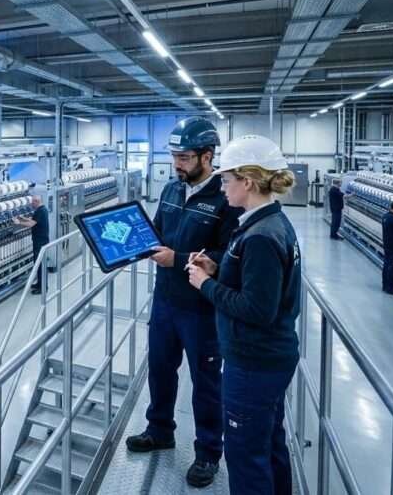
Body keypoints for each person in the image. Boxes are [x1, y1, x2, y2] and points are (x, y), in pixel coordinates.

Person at [124, 117, 241, 488]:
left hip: (202, 308)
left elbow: (229, 255)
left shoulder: (226, 199)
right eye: (174, 155)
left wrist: (176, 258)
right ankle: (160, 429)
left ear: (208, 156)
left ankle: (208, 452)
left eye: (185, 157)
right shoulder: (171, 191)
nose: (177, 163)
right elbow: (156, 231)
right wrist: (129, 239)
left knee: (206, 383)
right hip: (165, 300)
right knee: (160, 370)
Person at [184, 134, 301, 495]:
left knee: (246, 456)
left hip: (253, 361)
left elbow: (257, 309)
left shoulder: (262, 235)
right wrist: (219, 269)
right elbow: (257, 284)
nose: (222, 187)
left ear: (247, 182)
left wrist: (204, 283)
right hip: (268, 358)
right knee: (269, 445)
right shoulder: (265, 223)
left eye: (226, 180)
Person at [14, 194, 49, 294]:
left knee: (41, 264)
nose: (31, 204)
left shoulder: (40, 211)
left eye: (32, 203)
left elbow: (31, 224)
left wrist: (18, 223)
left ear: (37, 202)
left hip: (40, 242)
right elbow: (33, 220)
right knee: (38, 264)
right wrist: (22, 218)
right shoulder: (41, 210)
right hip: (40, 240)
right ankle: (39, 283)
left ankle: (43, 288)